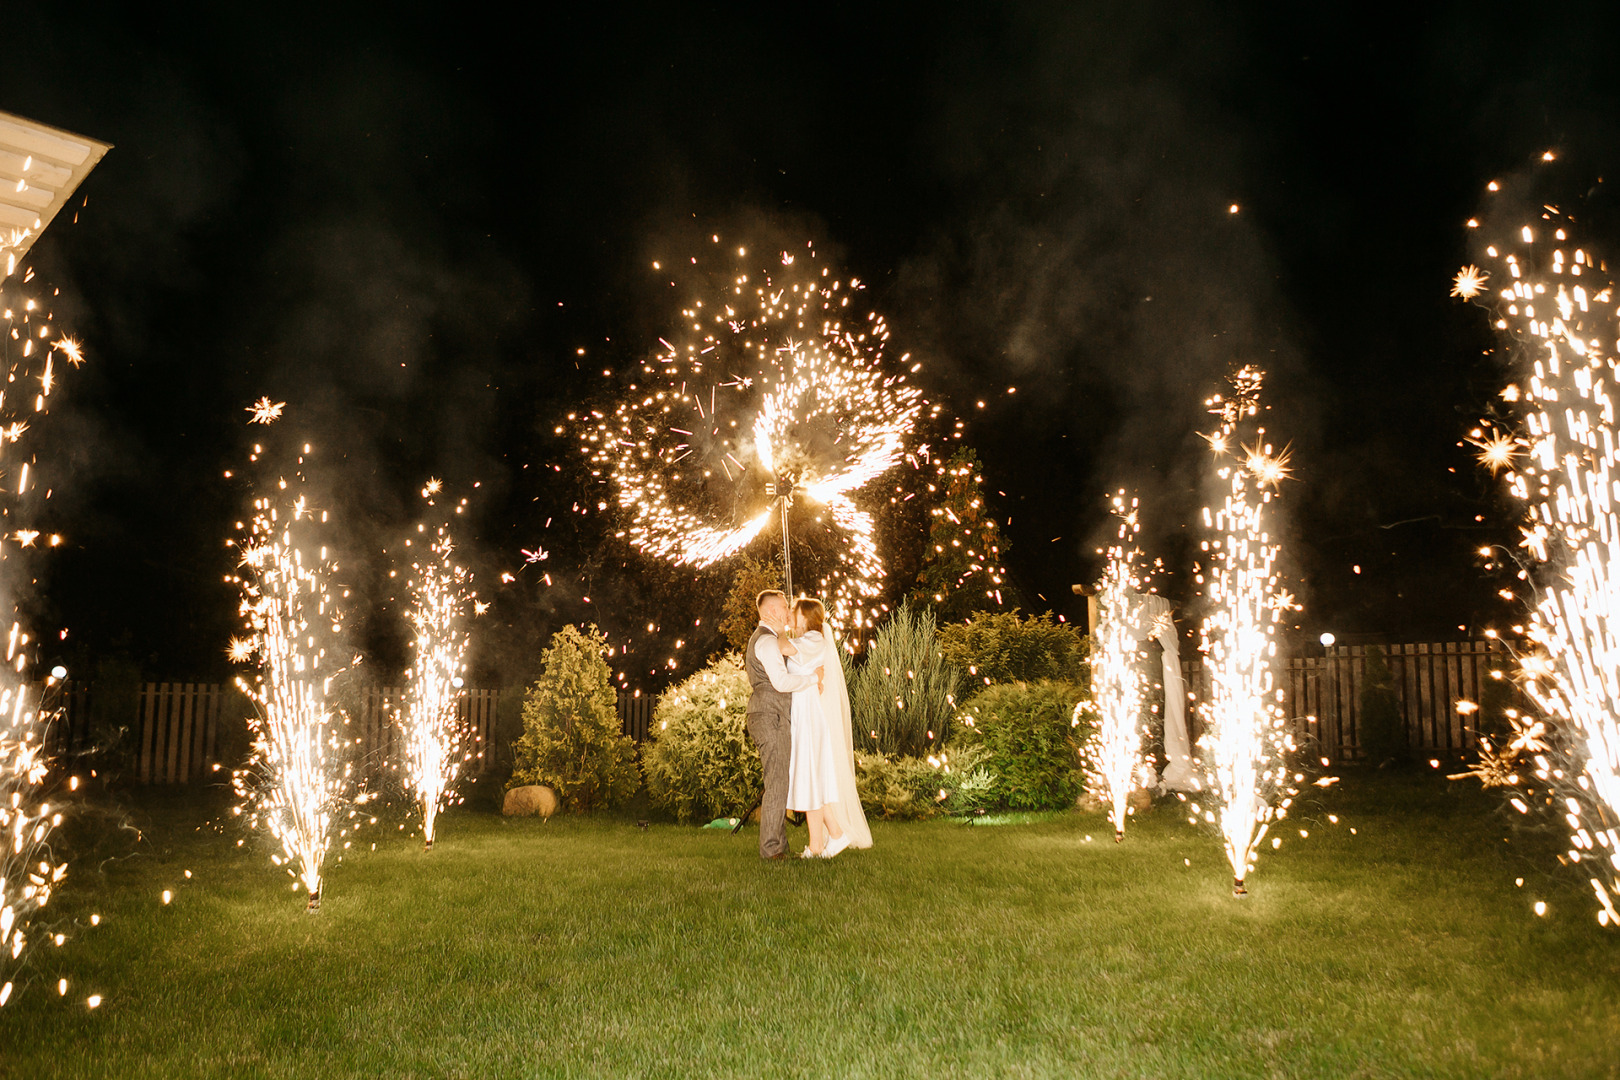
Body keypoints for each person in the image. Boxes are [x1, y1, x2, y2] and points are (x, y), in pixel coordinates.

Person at [777, 597, 872, 857]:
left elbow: (782, 647)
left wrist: (775, 625)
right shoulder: (807, 641)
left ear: (805, 616)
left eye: (793, 612)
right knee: (812, 779)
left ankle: (825, 841)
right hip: (803, 713)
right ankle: (830, 838)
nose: (790, 616)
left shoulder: (813, 640)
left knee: (810, 777)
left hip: (808, 716)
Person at [744, 590, 823, 860]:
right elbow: (781, 682)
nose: (788, 612)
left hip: (770, 715)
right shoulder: (766, 642)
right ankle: (772, 850)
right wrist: (813, 678)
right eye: (785, 607)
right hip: (771, 716)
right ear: (774, 611)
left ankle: (779, 845)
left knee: (778, 781)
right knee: (777, 783)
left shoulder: (769, 639)